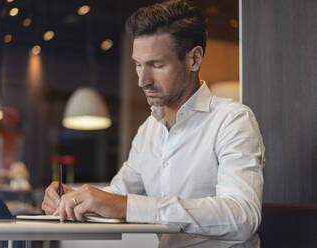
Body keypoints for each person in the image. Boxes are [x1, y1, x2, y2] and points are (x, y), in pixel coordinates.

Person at [42, 0, 265, 247]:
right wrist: (75, 200)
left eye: (156, 65)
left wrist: (126, 206)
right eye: (138, 65)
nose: (142, 80)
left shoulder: (232, 120)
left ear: (194, 59)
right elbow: (119, 195)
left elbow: (243, 216)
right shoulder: (148, 130)